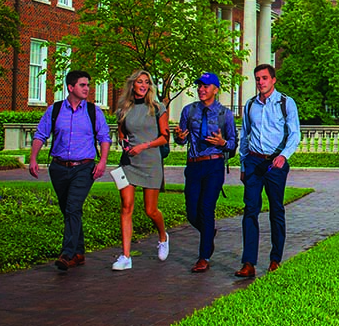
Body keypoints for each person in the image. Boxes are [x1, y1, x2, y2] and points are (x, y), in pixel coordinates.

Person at [29, 70, 111, 271]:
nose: (87, 89)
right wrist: (32, 159)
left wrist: (102, 162)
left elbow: (104, 138)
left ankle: (66, 254)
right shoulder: (55, 110)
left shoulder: (93, 111)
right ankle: (79, 252)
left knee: (73, 207)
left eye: (88, 85)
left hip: (84, 168)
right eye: (83, 85)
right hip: (58, 167)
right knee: (68, 209)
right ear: (71, 87)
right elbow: (41, 134)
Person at [235, 63, 300, 278]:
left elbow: (294, 134)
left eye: (264, 78)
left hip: (275, 163)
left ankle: (275, 259)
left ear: (273, 80)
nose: (260, 82)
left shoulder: (285, 103)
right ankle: (248, 263)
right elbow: (245, 136)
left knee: (276, 210)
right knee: (250, 210)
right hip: (253, 162)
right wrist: (244, 165)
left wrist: (283, 156)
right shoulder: (250, 105)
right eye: (257, 79)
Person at [174, 72, 236, 273]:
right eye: (199, 85)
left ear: (215, 89)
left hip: (214, 165)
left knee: (206, 208)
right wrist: (179, 137)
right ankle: (209, 234)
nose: (201, 89)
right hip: (193, 165)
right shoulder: (188, 111)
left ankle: (203, 257)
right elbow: (182, 139)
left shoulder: (224, 114)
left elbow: (233, 144)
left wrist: (222, 143)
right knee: (192, 212)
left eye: (206, 86)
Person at [111, 70, 170, 271]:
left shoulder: (157, 108)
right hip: (128, 162)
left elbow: (164, 138)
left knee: (150, 210)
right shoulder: (123, 109)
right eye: (139, 82)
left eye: (146, 82)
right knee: (126, 207)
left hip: (150, 162)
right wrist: (124, 142)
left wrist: (143, 146)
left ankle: (163, 237)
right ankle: (126, 256)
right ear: (133, 85)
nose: (143, 85)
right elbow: (121, 133)